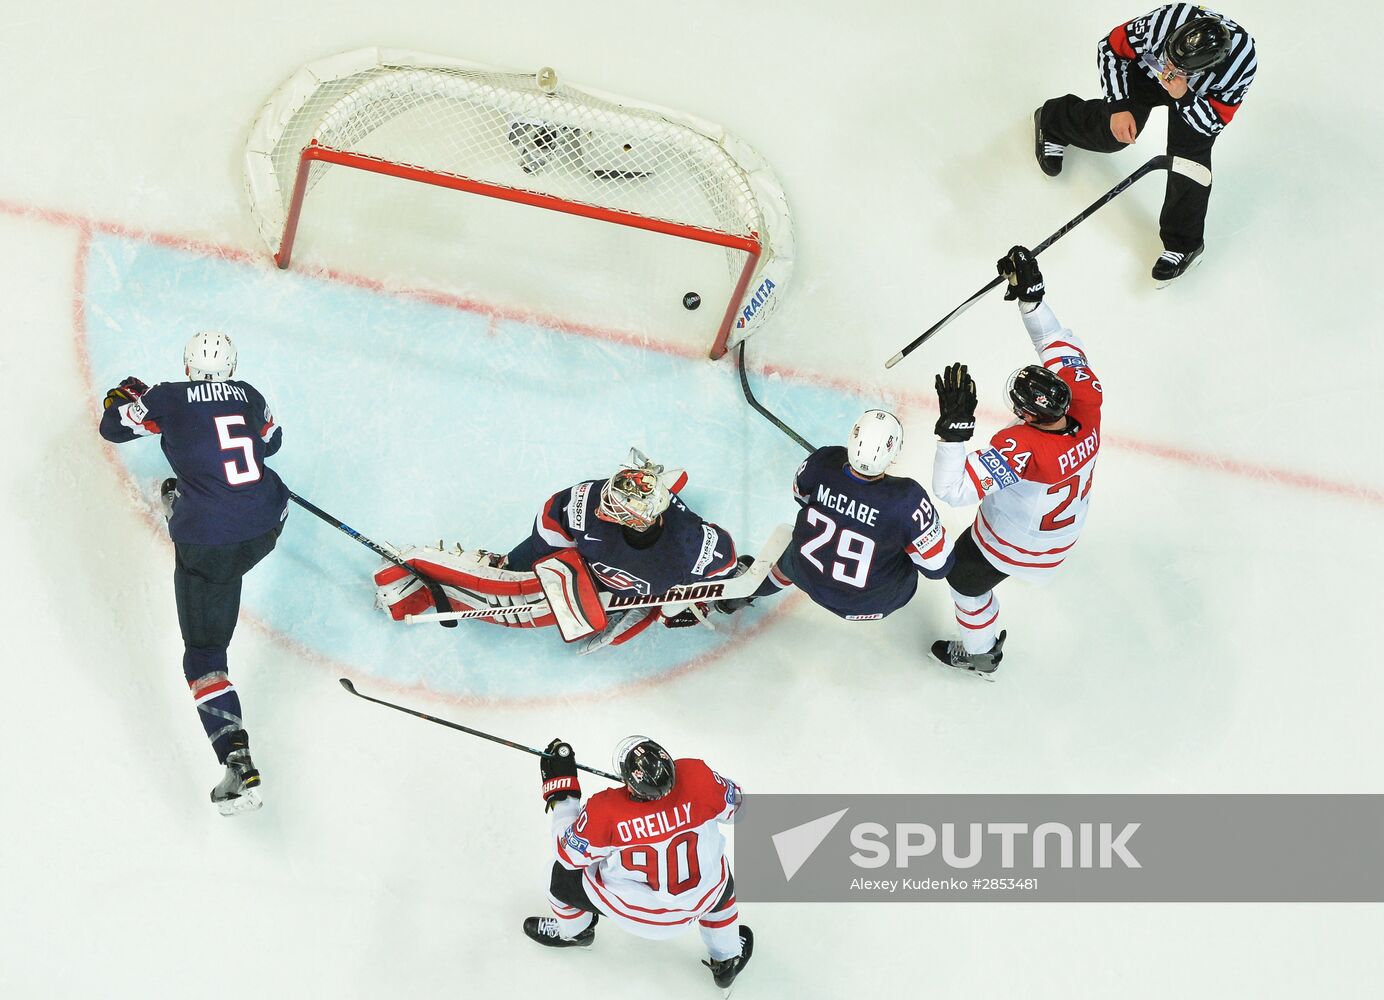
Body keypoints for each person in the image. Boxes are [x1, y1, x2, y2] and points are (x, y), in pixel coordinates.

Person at [99, 331, 288, 814]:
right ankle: (184, 503)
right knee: (216, 495)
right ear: (232, 366)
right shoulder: (249, 394)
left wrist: (127, 399)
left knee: (204, 656)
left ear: (188, 366)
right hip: (268, 523)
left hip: (211, 546)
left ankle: (235, 757)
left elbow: (113, 427)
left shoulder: (167, 397)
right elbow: (272, 444)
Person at [928, 247, 1104, 675]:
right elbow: (1052, 340)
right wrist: (1033, 299)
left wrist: (953, 433)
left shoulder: (1023, 449)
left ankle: (981, 652)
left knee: (964, 583)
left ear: (1028, 416)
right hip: (1059, 529)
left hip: (1016, 543)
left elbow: (951, 491)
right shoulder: (1086, 402)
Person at [1033, 6, 1257, 283]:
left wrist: (1184, 96)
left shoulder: (1240, 66)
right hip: (1146, 74)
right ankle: (1054, 119)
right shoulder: (1166, 22)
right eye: (1171, 57)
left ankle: (1183, 244)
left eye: (1179, 67)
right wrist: (1118, 106)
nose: (1170, 70)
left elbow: (1212, 123)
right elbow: (1111, 47)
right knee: (1112, 135)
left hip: (1197, 98)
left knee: (1190, 162)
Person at [525, 735, 752, 991]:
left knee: (555, 875)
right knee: (716, 875)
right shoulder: (697, 776)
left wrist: (564, 794)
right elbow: (739, 807)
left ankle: (576, 931)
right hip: (705, 897)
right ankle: (727, 957)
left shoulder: (606, 811)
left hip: (638, 915)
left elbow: (567, 854)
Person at [737, 411, 953, 621]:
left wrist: (841, 499)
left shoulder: (823, 460)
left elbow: (799, 495)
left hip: (808, 577)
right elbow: (937, 568)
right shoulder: (907, 499)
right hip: (873, 603)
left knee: (791, 556)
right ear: (894, 453)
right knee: (908, 550)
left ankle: (746, 591)